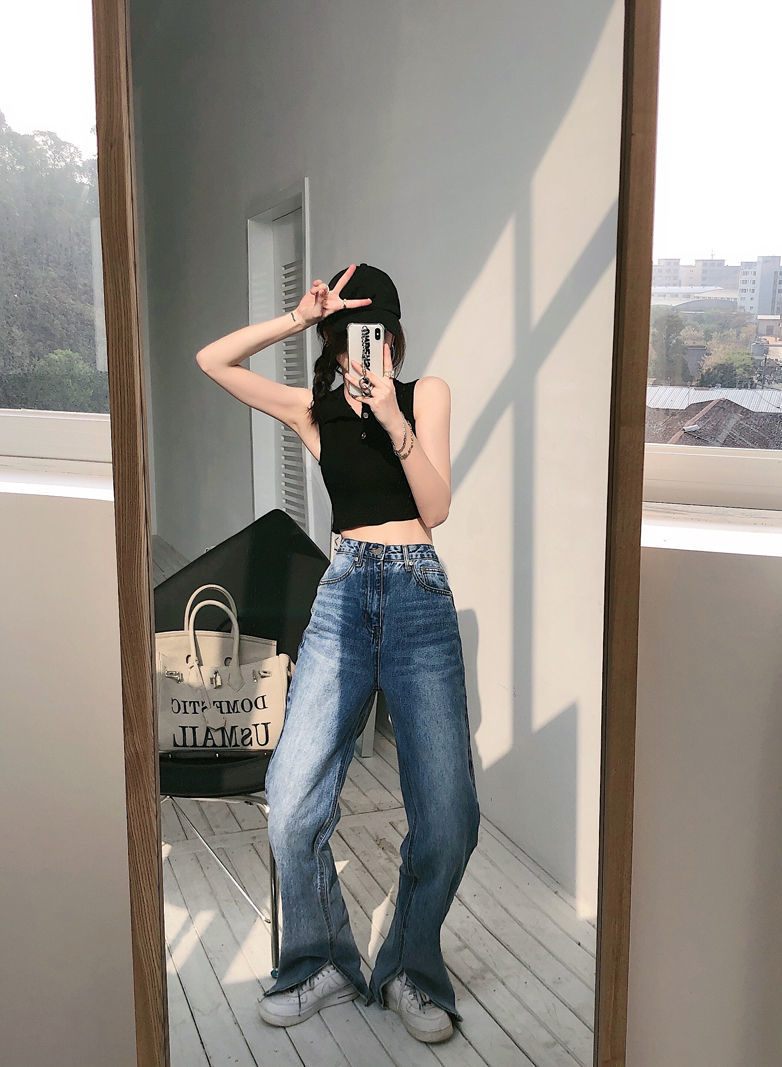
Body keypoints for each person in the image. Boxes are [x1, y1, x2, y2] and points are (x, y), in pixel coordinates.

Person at [195, 262, 480, 1044]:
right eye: (348, 332)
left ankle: (411, 968)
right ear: (333, 340)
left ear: (393, 336)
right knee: (291, 800)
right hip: (346, 595)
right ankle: (320, 959)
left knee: (450, 818)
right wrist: (294, 318)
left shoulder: (425, 395)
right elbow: (212, 361)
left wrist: (393, 419)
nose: (363, 345)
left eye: (374, 331)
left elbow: (435, 508)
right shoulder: (310, 410)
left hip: (418, 593)